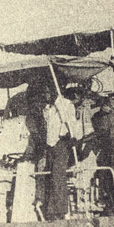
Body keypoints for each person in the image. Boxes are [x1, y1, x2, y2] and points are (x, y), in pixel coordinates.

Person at [43, 91, 83, 220]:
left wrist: (71, 137)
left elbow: (70, 122)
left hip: (61, 143)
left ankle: (59, 210)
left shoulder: (65, 104)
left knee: (58, 176)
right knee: (51, 177)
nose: (45, 95)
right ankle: (51, 209)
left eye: (47, 92)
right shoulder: (49, 107)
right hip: (51, 145)